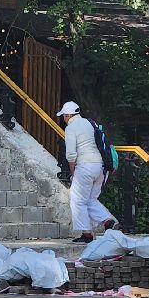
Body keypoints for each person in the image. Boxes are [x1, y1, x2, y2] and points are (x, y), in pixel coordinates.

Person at [58, 100, 117, 243]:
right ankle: (107, 221)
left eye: (64, 116)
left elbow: (71, 154)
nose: (64, 119)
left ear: (67, 115)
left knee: (77, 199)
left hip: (85, 166)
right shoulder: (89, 123)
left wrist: (73, 172)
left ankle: (87, 233)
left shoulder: (71, 128)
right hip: (99, 167)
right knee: (90, 199)